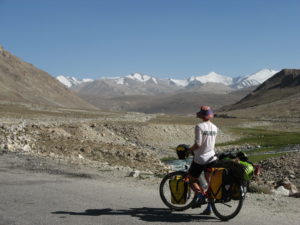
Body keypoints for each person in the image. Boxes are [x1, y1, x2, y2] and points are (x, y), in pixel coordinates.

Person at [188, 105, 218, 215]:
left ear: (201, 115)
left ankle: (200, 195)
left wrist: (189, 150)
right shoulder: (215, 127)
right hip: (212, 158)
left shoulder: (199, 126)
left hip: (201, 158)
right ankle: (209, 208)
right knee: (210, 184)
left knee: (191, 179)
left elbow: (198, 144)